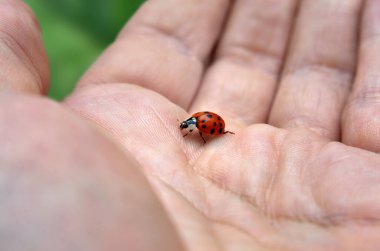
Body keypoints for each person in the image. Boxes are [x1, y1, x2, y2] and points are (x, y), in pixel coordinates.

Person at [1, 0, 380, 250]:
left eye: (190, 128)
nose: (190, 129)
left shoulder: (202, 125)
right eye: (190, 127)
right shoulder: (199, 125)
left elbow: (206, 126)